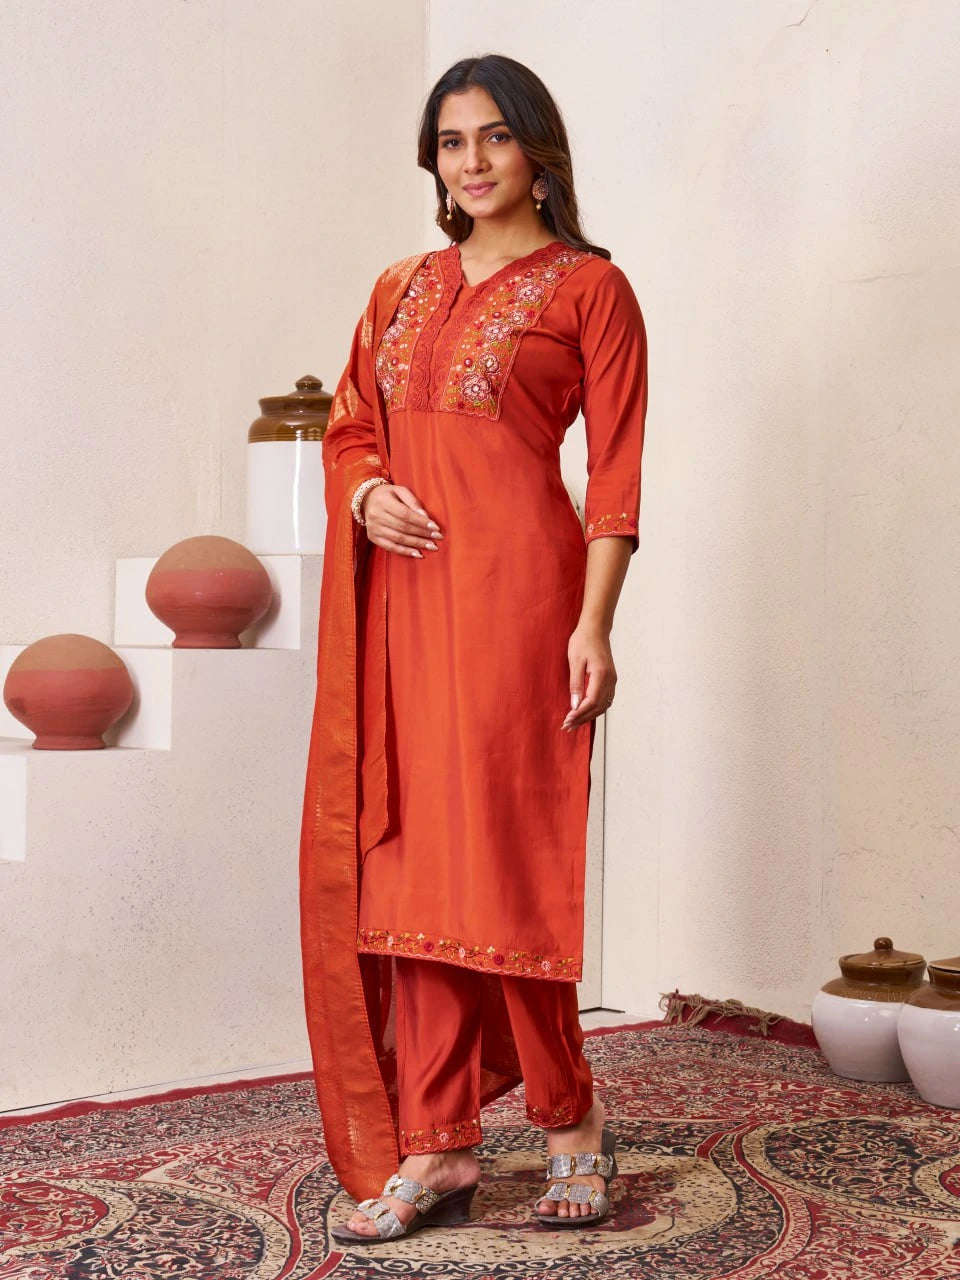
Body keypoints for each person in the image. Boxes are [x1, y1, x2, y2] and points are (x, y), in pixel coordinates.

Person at [299, 53, 647, 1245]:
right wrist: (364, 496)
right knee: (409, 872)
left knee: (506, 864)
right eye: (453, 142)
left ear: (538, 149)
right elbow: (352, 427)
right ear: (434, 161)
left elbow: (615, 477)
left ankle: (569, 1123)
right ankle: (438, 1144)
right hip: (404, 606)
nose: (475, 161)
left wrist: (593, 622)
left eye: (496, 137)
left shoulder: (591, 287)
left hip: (519, 604)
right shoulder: (399, 286)